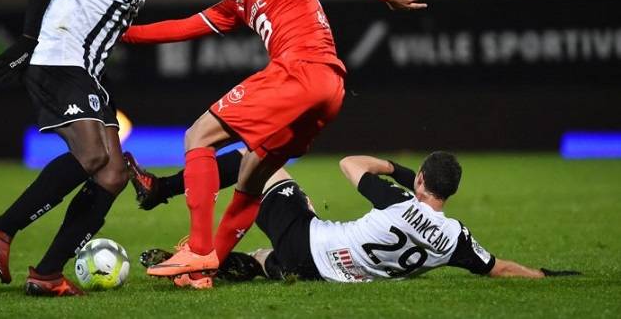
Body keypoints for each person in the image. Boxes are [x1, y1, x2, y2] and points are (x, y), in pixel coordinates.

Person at [122, 0, 427, 288]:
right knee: (252, 174)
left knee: (198, 136)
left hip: (300, 72)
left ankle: (200, 248)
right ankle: (206, 269)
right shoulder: (239, 5)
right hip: (329, 90)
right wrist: (125, 35)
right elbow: (183, 27)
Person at [0, 0, 210, 297]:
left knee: (113, 175)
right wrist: (28, 41)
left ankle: (47, 273)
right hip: (59, 59)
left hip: (88, 74)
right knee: (92, 156)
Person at [128, 152, 580, 283]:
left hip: (310, 245)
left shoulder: (399, 202)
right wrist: (545, 273)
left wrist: (401, 173)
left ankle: (161, 192)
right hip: (326, 273)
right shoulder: (454, 240)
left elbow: (350, 164)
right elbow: (497, 266)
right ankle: (243, 265)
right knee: (272, 252)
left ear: (422, 181)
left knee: (258, 161)